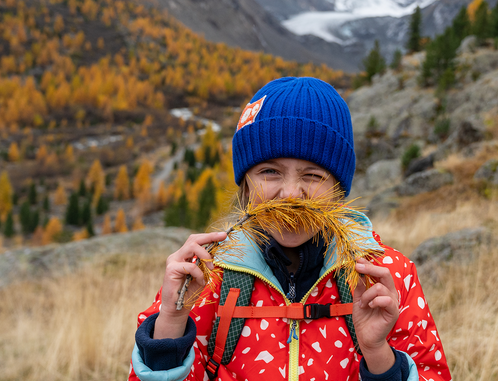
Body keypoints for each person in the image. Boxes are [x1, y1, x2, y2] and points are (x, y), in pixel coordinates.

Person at [129, 77, 449, 381]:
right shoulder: (206, 276)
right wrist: (171, 320)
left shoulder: (388, 276)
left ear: (338, 190)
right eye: (270, 172)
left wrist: (378, 353)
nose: (291, 194)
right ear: (245, 188)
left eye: (312, 176)